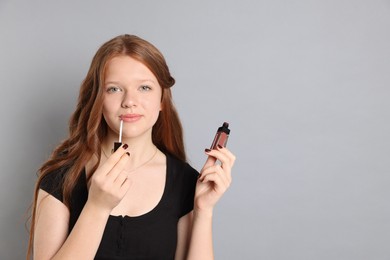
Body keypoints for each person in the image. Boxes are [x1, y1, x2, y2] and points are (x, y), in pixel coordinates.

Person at [27, 34, 236, 260]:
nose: (129, 101)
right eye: (114, 89)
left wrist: (204, 211)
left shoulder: (185, 182)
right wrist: (97, 206)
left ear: (162, 101)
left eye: (144, 88)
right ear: (97, 99)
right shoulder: (61, 179)